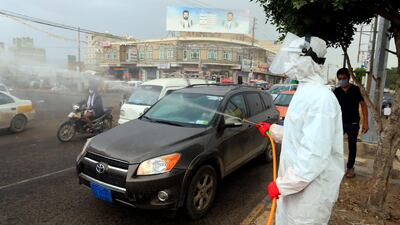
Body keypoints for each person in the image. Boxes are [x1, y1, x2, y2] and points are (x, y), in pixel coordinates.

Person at [259, 33, 344, 225]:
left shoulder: (321, 99)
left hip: (309, 197)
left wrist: (282, 185)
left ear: (308, 59)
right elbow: (299, 135)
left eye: (293, 56)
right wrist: (272, 130)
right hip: (296, 192)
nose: (289, 61)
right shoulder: (304, 91)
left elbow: (314, 155)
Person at [334, 68, 369, 178]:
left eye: (344, 78)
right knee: (335, 145)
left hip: (353, 123)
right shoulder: (336, 92)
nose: (342, 80)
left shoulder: (355, 90)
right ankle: (335, 168)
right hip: (339, 123)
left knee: (352, 146)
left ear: (348, 78)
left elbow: (363, 105)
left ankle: (350, 168)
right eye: (340, 79)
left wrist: (366, 122)